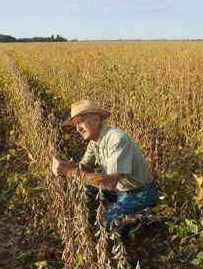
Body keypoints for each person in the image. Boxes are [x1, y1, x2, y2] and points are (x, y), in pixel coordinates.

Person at [51, 99, 159, 234]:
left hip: (140, 193)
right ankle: (120, 210)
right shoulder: (94, 141)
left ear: (95, 119)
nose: (77, 129)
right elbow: (83, 167)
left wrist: (70, 170)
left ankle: (142, 217)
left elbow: (109, 183)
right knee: (83, 185)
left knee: (105, 225)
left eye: (80, 122)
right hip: (120, 190)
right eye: (75, 125)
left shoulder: (116, 139)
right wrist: (67, 165)